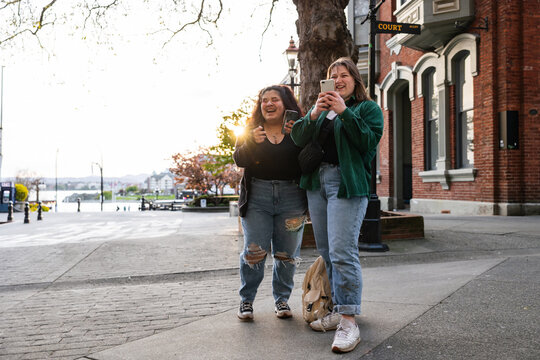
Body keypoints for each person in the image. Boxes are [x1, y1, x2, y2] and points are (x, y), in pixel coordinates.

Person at [291, 57, 383, 354]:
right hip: (317, 184)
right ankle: (336, 308)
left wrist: (344, 112)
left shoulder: (366, 108)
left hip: (346, 183)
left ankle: (348, 321)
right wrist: (316, 113)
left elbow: (367, 142)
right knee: (327, 252)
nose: (339, 80)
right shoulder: (323, 111)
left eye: (345, 75)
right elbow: (298, 137)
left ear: (356, 80)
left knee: (343, 251)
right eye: (333, 76)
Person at [234, 85, 308, 321]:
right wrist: (251, 143)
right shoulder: (251, 129)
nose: (268, 103)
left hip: (292, 197)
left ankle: (282, 300)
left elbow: (311, 159)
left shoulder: (298, 128)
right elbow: (239, 159)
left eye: (274, 99)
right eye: (264, 100)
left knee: (287, 254)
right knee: (254, 251)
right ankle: (247, 300)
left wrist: (300, 135)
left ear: (285, 103)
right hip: (258, 197)